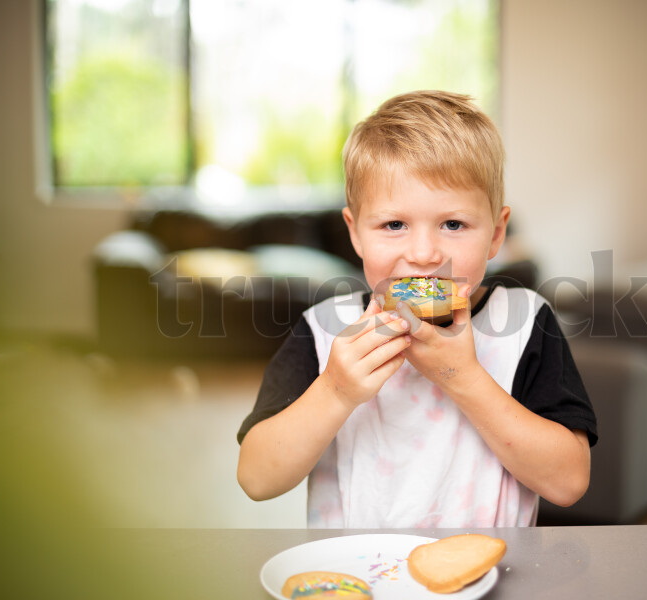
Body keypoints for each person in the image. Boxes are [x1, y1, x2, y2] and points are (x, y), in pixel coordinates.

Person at [236, 90, 596, 528]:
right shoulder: (324, 329)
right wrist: (335, 390)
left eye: (453, 224)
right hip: (353, 569)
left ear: (496, 234)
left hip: (489, 567)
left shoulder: (525, 322)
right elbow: (256, 479)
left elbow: (568, 482)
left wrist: (463, 377)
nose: (424, 254)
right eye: (394, 224)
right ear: (355, 233)